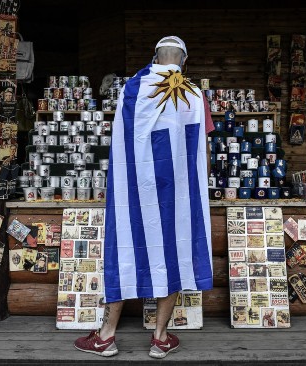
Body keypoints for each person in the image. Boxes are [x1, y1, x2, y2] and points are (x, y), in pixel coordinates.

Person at [74, 36, 214, 359]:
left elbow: (121, 139)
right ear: (183, 62)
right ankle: (160, 337)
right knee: (176, 250)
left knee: (126, 245)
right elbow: (201, 150)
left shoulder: (133, 89)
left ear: (155, 59)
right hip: (177, 192)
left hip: (136, 188)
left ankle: (107, 336)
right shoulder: (193, 95)